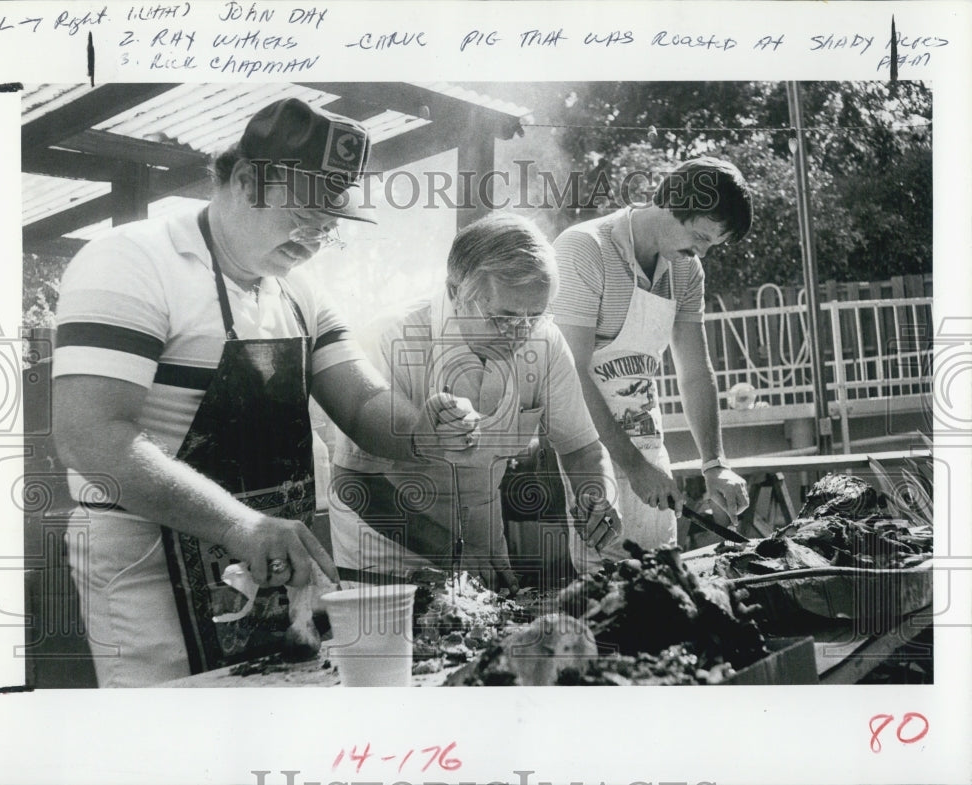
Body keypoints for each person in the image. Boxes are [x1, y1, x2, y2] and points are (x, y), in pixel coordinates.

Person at [51, 97, 479, 686]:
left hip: (274, 562)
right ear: (247, 180)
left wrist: (427, 430)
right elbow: (90, 435)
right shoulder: (130, 261)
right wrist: (239, 526)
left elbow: (363, 405)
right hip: (148, 562)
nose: (317, 235)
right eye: (304, 212)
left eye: (329, 223)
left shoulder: (301, 293)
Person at [329, 213, 622, 591]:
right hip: (388, 561)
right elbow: (354, 480)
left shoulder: (544, 340)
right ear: (456, 293)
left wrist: (596, 494)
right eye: (503, 318)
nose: (521, 333)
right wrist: (452, 552)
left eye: (534, 316)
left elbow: (582, 447)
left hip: (482, 550)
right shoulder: (389, 338)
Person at [550, 156, 754, 574]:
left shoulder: (686, 271)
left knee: (665, 579)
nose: (701, 252)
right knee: (607, 587)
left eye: (711, 245)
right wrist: (633, 467)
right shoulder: (583, 248)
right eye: (699, 236)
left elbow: (696, 374)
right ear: (670, 202)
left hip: (649, 448)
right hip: (587, 456)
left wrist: (715, 464)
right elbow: (571, 376)